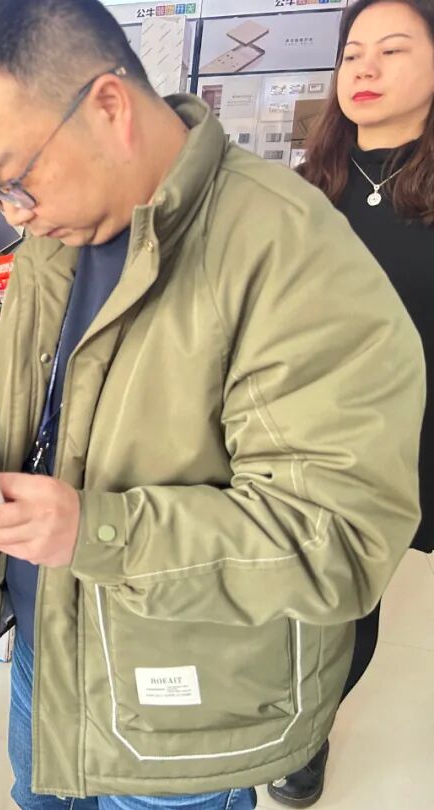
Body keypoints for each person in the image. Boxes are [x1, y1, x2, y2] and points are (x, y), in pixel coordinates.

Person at [0, 1, 425, 808]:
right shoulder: (58, 231)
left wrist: (93, 530)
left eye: (18, 179)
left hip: (186, 706)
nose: (14, 213)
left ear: (108, 106)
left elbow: (336, 540)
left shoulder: (289, 251)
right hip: (48, 649)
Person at [269, 1, 434, 805]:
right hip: (309, 434)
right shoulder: (303, 191)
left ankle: (309, 725)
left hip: (414, 433)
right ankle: (300, 724)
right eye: (353, 53)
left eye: (392, 50)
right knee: (316, 592)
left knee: (357, 586)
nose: (364, 68)